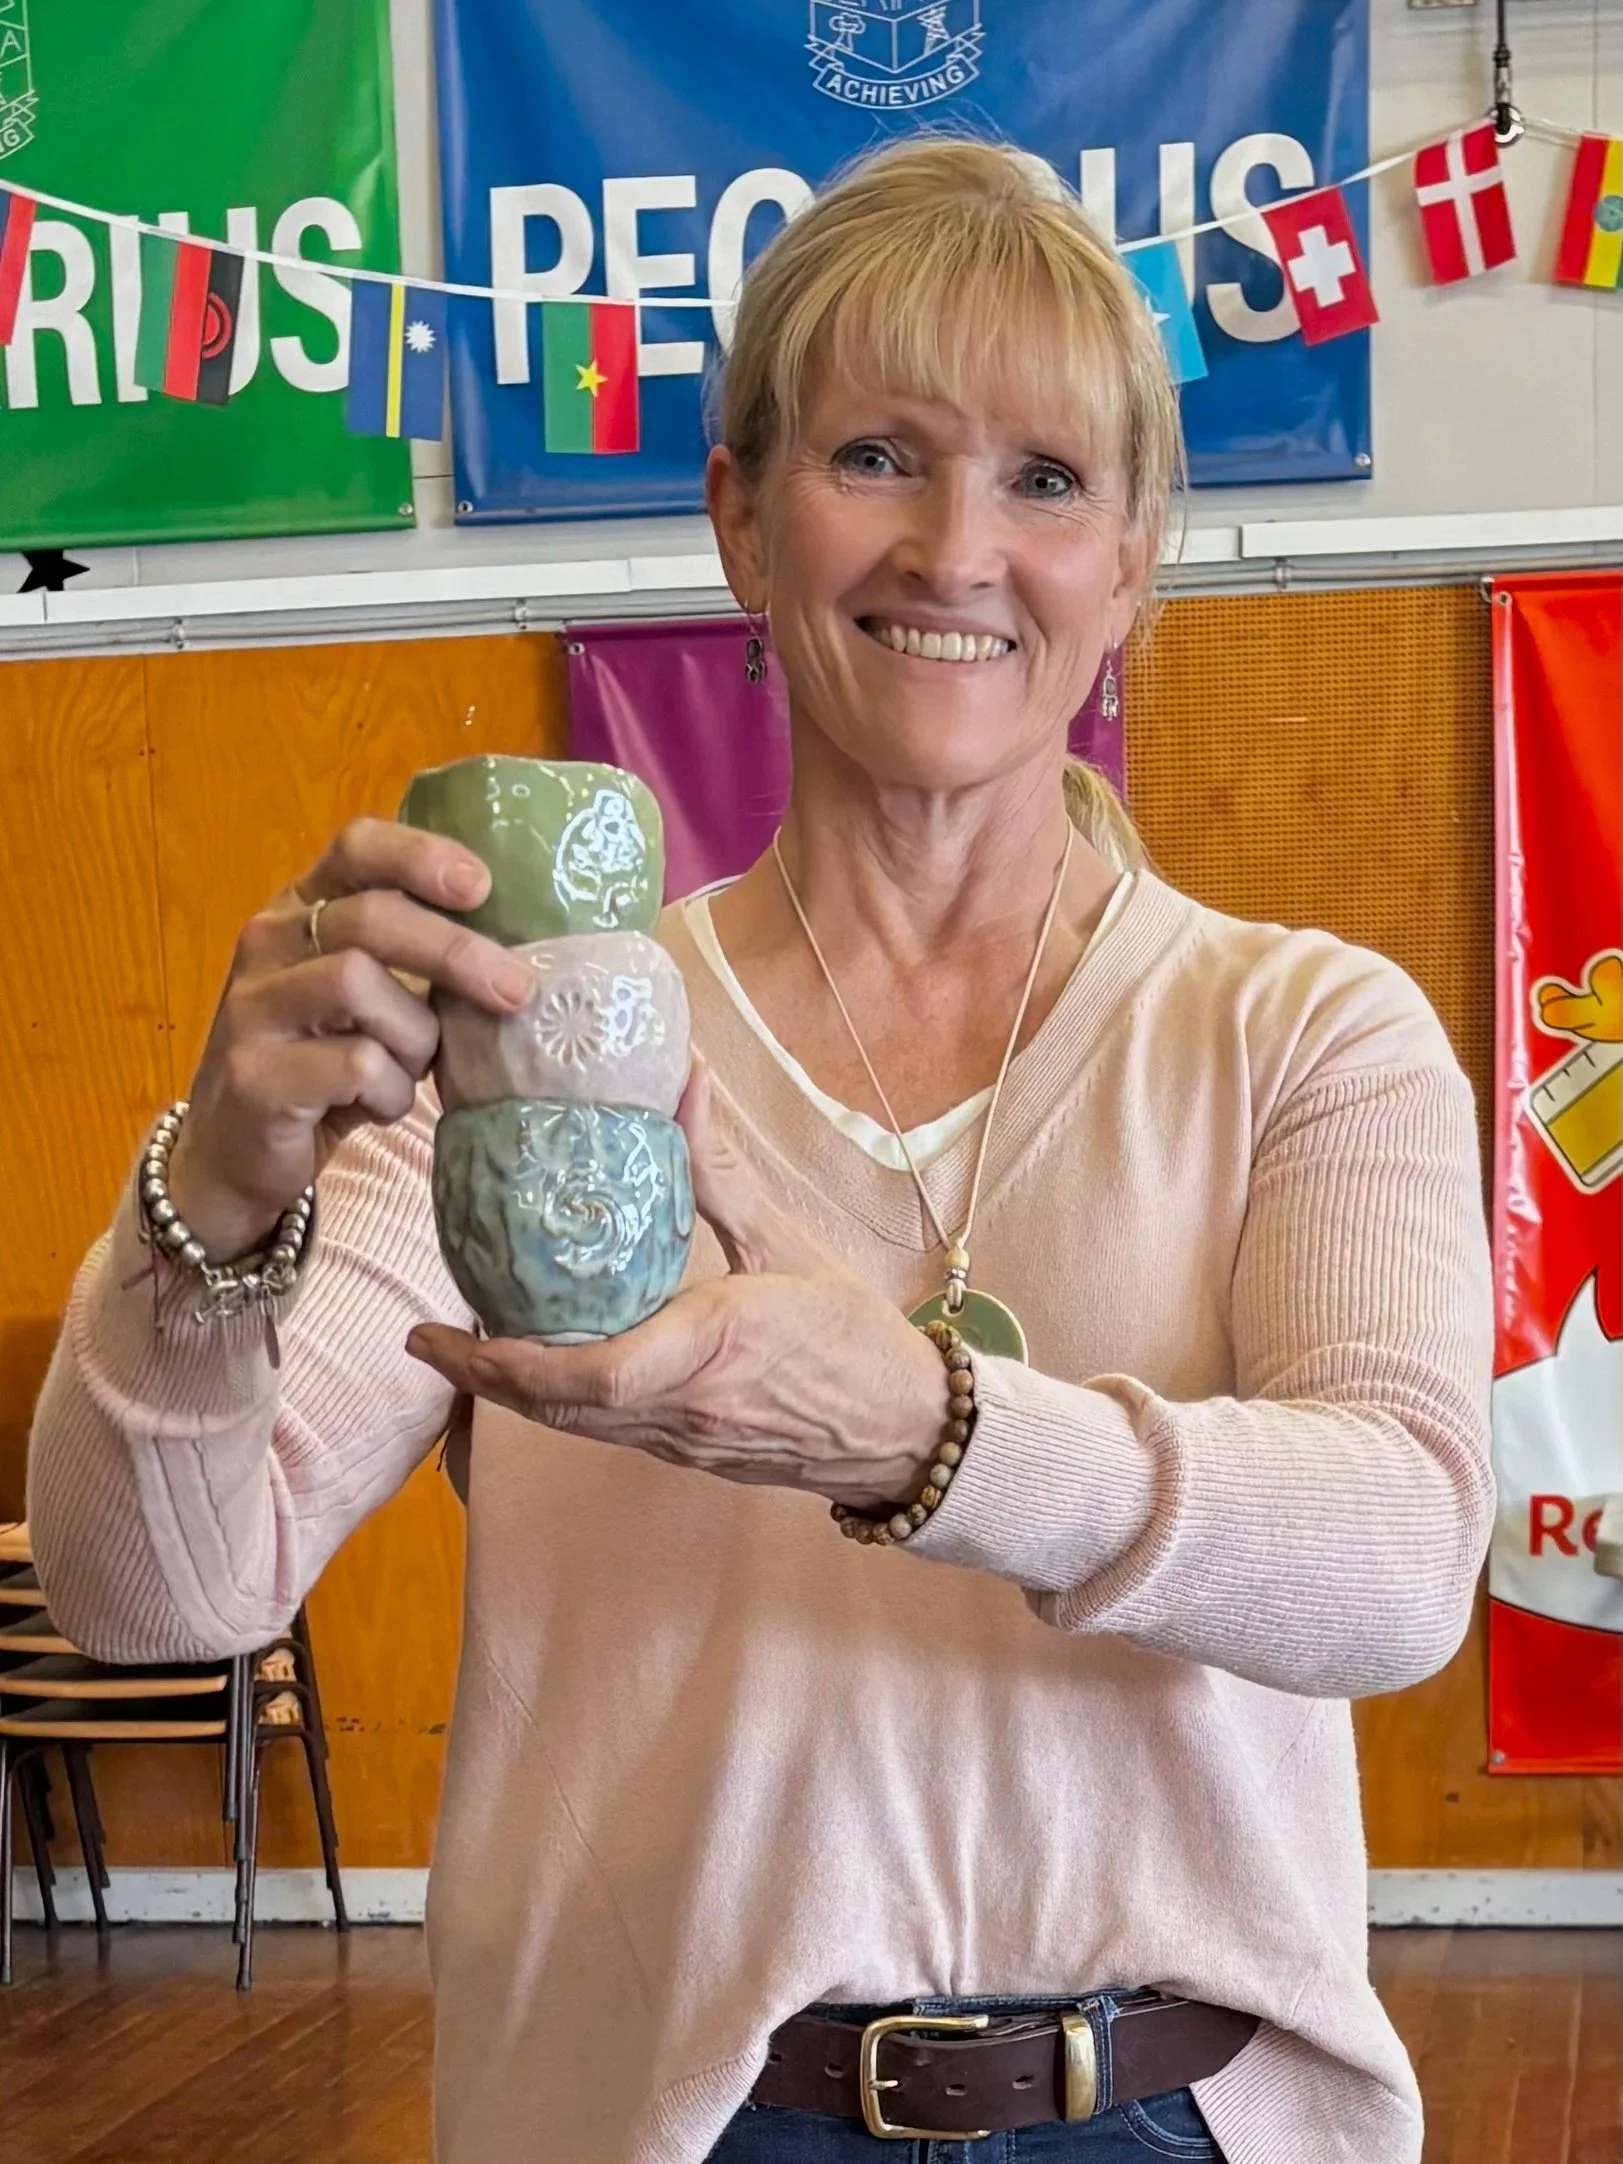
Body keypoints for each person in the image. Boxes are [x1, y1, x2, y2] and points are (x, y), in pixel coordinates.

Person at [28, 138, 1494, 2164]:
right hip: (666, 2114)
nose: (957, 547)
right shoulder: (531, 1032)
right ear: (737, 513)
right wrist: (219, 1194)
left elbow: (1406, 1555)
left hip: (1184, 2111)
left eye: (1047, 479)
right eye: (876, 455)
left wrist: (926, 1427)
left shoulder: (1299, 1029)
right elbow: (152, 1595)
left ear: (1136, 556)